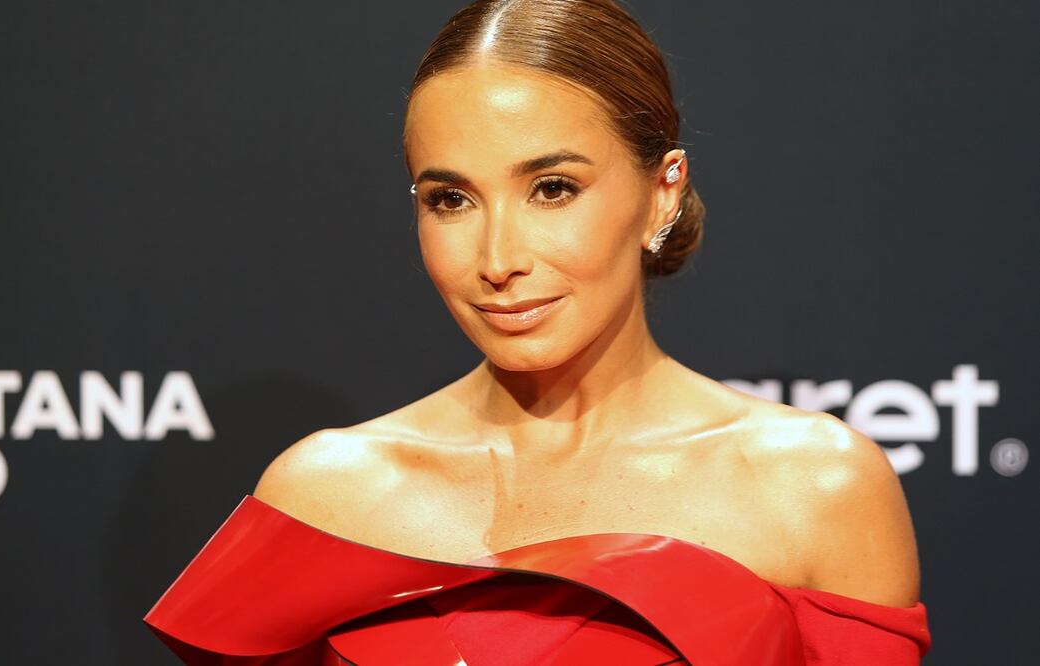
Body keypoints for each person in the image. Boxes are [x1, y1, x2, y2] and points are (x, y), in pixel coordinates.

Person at [144, 1, 931, 663]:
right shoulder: (322, 495)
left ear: (662, 193)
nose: (497, 260)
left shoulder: (814, 490)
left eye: (552, 189)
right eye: (450, 200)